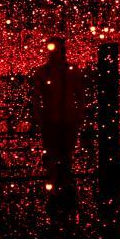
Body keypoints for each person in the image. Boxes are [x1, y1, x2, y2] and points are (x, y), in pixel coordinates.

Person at [32, 38, 85, 212]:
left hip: (65, 118)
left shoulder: (69, 71)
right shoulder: (44, 72)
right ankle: (59, 185)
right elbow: (36, 96)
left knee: (64, 153)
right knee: (55, 153)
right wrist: (38, 115)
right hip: (53, 119)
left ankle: (61, 185)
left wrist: (80, 113)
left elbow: (80, 94)